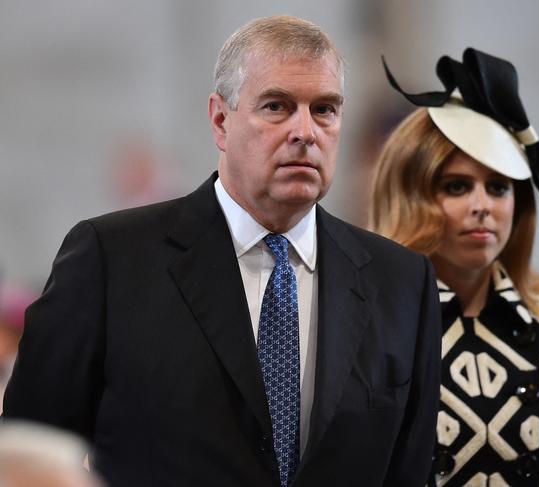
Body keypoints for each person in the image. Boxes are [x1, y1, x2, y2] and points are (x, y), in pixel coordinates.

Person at [3, 16, 442, 487]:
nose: (304, 131)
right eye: (277, 106)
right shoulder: (109, 260)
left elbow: (409, 472)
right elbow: (29, 459)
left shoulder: (402, 283)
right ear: (220, 120)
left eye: (324, 109)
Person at [370, 48, 539, 485]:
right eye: (456, 186)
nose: (482, 206)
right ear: (411, 195)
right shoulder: (373, 323)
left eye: (498, 187)